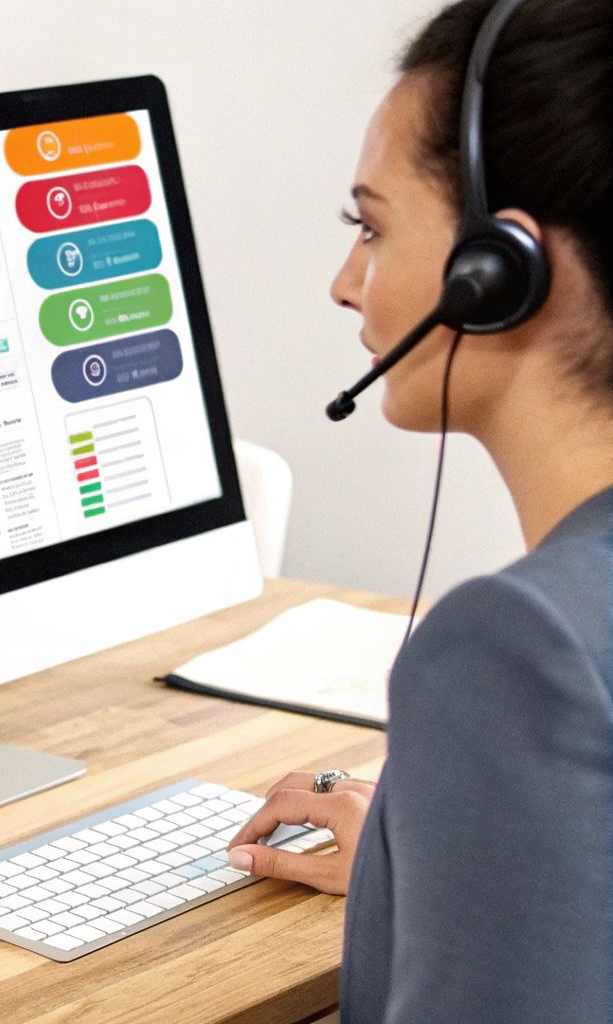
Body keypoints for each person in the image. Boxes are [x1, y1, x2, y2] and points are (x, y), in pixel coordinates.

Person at [224, 0, 613, 1020]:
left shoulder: (521, 651)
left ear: (499, 274)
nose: (343, 284)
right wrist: (445, 863)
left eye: (370, 226)